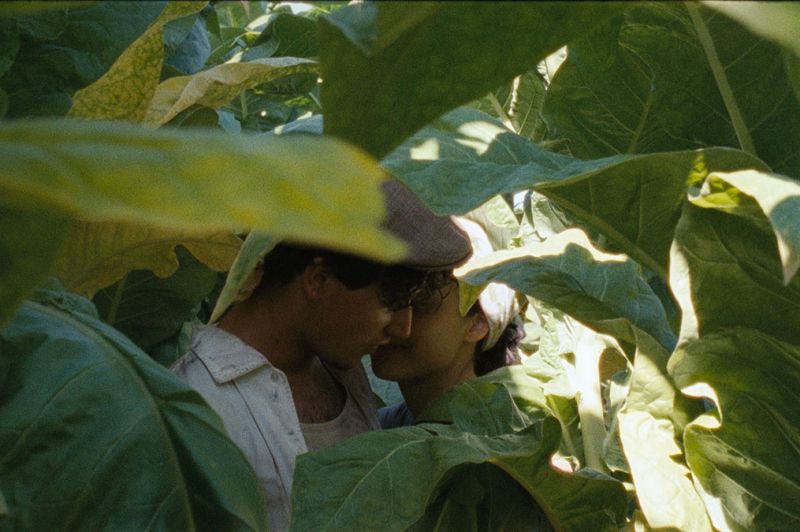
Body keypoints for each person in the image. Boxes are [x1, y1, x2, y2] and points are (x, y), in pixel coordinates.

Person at [171, 179, 471, 531]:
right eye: (390, 302)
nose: (403, 329)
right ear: (319, 279)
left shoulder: (341, 369)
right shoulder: (196, 403)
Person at [370, 218, 523, 428]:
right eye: (387, 296)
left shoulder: (505, 435)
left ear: (478, 323)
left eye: (420, 302)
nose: (392, 320)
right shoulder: (378, 426)